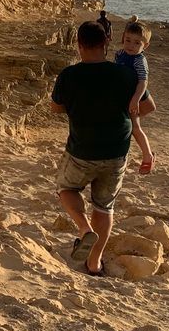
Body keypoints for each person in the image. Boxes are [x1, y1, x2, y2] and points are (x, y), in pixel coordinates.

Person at [50, 21, 140, 277]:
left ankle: (84, 227)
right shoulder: (125, 74)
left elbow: (55, 108)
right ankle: (94, 263)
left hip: (82, 149)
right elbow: (147, 108)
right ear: (107, 43)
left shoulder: (69, 75)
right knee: (104, 206)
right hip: (116, 151)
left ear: (78, 46)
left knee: (66, 188)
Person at [115, 21, 156, 173]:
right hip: (122, 96)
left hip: (133, 97)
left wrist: (135, 99)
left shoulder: (139, 60)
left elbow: (143, 82)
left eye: (137, 43)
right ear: (123, 38)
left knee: (136, 128)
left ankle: (148, 156)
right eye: (128, 40)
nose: (131, 45)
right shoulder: (119, 54)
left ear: (145, 45)